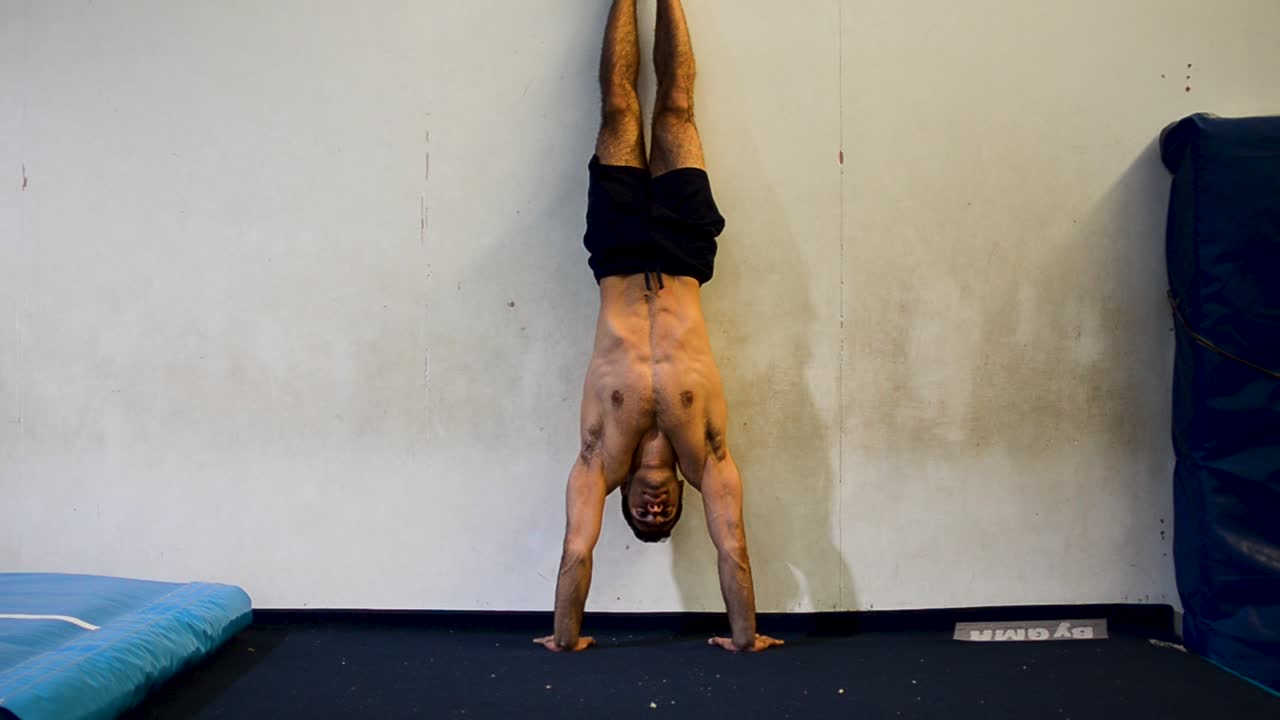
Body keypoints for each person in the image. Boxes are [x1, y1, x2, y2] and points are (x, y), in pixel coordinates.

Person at [534, 0, 782, 654]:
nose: (653, 513)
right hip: (685, 255)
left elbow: (575, 550)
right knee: (676, 108)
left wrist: (564, 638)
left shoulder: (598, 459)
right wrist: (744, 636)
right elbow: (734, 548)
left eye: (642, 519)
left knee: (618, 106)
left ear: (625, 503)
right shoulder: (710, 458)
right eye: (664, 518)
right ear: (678, 500)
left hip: (616, 255)